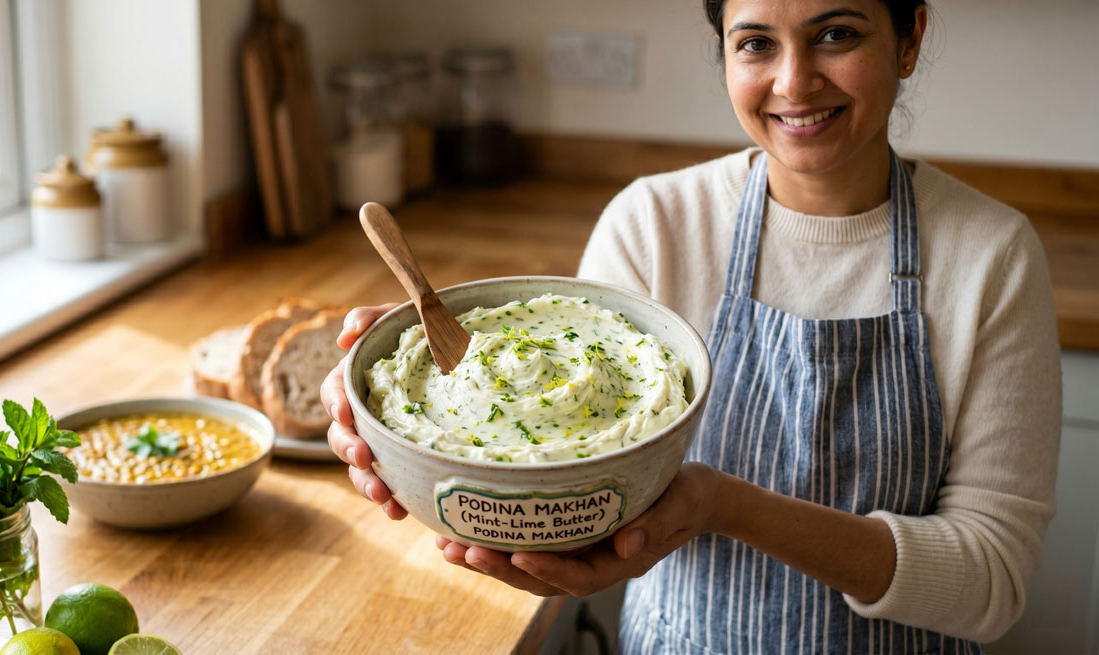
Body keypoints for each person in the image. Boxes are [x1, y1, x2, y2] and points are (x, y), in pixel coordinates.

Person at [319, 0, 1063, 651]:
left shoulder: (991, 256)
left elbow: (988, 584)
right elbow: (553, 476)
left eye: (836, 34)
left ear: (909, 39)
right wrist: (419, 400)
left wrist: (729, 506)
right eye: (756, 42)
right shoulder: (656, 224)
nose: (795, 81)